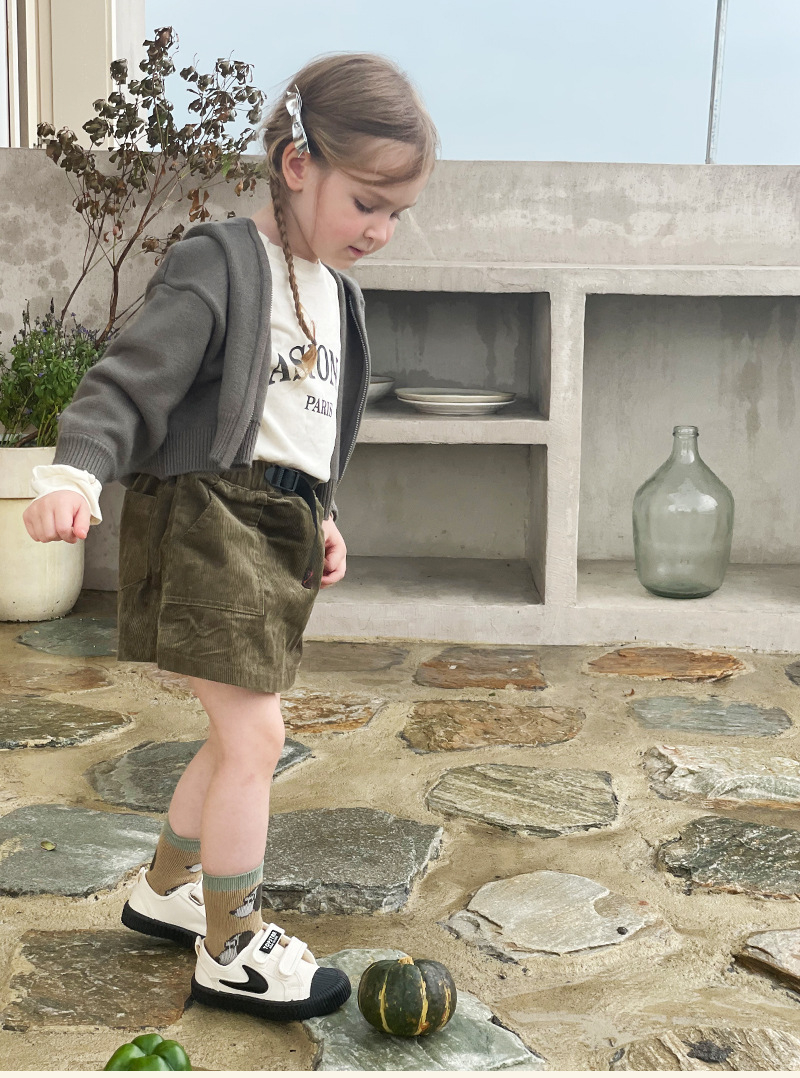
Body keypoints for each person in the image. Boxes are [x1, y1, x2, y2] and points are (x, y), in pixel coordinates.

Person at [22, 52, 438, 1022]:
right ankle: (232, 942)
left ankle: (168, 886)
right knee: (257, 732)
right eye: (366, 202)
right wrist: (74, 472)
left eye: (396, 214)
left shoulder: (339, 294)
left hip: (275, 523)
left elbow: (303, 425)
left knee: (235, 729)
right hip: (208, 516)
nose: (378, 230)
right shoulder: (220, 260)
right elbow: (129, 378)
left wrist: (322, 512)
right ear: (297, 164)